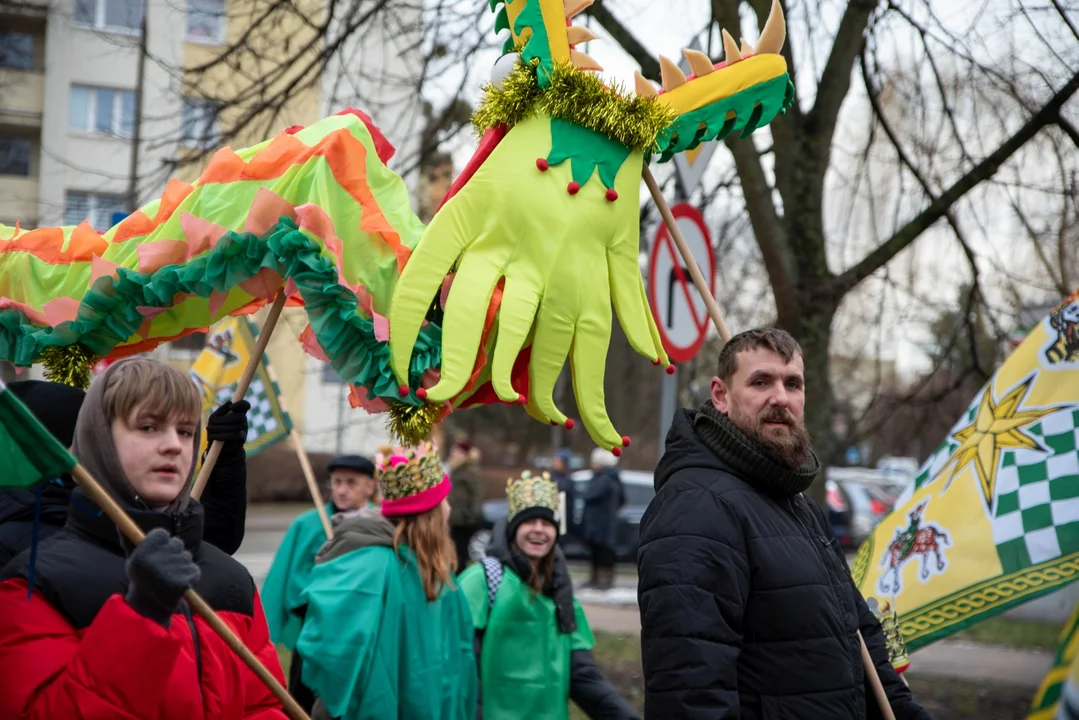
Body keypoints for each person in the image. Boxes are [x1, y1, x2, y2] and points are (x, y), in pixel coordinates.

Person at [637, 328, 931, 719]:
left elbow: (859, 639)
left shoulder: (797, 505)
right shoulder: (696, 506)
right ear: (720, 395)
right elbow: (689, 692)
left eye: (792, 383)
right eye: (761, 382)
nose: (780, 398)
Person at [0, 357, 286, 719]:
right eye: (149, 427)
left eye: (185, 431)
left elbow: (262, 706)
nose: (174, 446)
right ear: (99, 439)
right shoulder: (35, 582)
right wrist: (142, 613)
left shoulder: (230, 578)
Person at [292, 443, 477, 720]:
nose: (449, 509)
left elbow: (455, 654)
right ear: (430, 515)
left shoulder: (438, 572)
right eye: (444, 502)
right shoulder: (375, 565)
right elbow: (337, 647)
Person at [0, 379, 251, 566]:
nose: (103, 445)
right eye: (88, 434)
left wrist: (225, 459)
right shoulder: (16, 548)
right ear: (48, 448)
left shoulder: (111, 508)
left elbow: (213, 541)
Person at [459, 470, 638, 720]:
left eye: (546, 523)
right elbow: (462, 668)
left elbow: (583, 674)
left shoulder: (560, 590)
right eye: (529, 522)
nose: (539, 530)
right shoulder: (481, 582)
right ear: (513, 527)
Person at [261, 453, 377, 703]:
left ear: (370, 486)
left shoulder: (382, 523)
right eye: (337, 482)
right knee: (306, 701)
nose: (342, 490)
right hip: (314, 634)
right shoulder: (309, 524)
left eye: (351, 483)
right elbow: (285, 579)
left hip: (361, 635)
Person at [581, 448, 624, 591]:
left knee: (602, 552)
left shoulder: (603, 479)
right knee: (602, 552)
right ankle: (601, 579)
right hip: (606, 523)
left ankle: (602, 580)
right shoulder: (614, 478)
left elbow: (589, 496)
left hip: (600, 524)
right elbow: (622, 500)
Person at [447, 439, 485, 568]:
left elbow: (477, 494)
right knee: (453, 550)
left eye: (456, 452)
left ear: (464, 454)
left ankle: (460, 574)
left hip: (464, 521)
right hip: (453, 518)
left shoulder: (470, 471)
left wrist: (473, 514)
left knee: (461, 552)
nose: (453, 454)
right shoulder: (454, 469)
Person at [550, 448, 577, 545]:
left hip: (561, 525)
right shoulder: (550, 477)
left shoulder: (567, 481)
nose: (555, 462)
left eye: (558, 460)